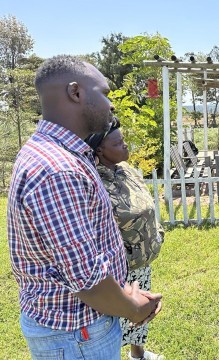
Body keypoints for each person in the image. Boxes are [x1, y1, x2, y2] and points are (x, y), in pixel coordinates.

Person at [7, 55, 162, 359]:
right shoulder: (58, 169)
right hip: (77, 333)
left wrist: (123, 293)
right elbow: (87, 278)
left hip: (80, 327)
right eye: (104, 93)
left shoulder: (64, 154)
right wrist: (133, 307)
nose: (111, 104)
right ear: (76, 93)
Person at [86, 119, 165, 360]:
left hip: (142, 259)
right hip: (119, 267)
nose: (125, 145)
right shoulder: (93, 181)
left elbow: (146, 202)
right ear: (100, 150)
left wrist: (157, 233)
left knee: (142, 312)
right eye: (118, 142)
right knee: (117, 319)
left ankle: (137, 354)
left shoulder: (126, 170)